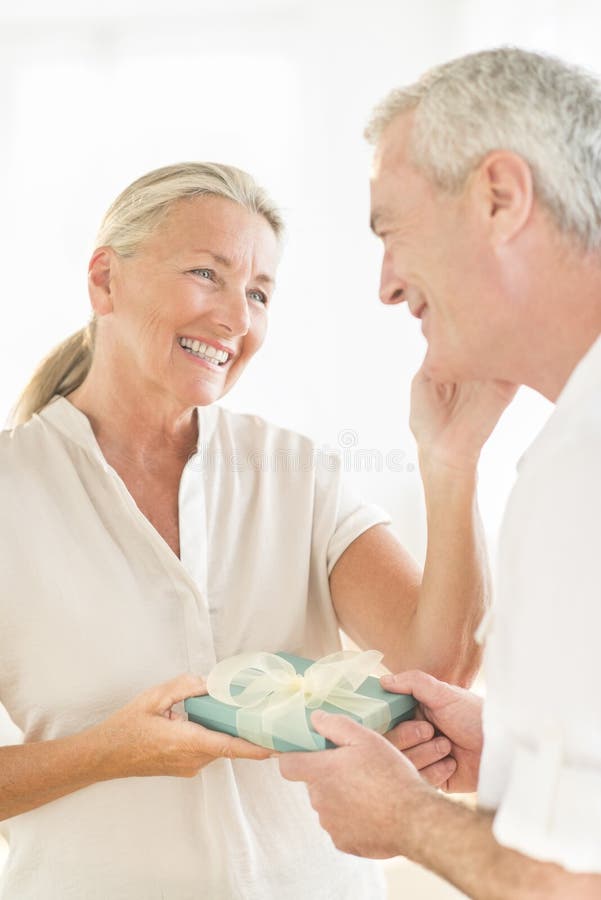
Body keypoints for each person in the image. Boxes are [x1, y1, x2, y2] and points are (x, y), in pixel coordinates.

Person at [0, 161, 509, 900]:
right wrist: (107, 753)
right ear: (105, 280)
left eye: (259, 293)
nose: (236, 320)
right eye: (207, 273)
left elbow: (435, 666)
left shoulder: (295, 472)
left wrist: (451, 458)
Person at [279, 47, 601, 898]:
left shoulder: (579, 470)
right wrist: (514, 758)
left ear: (499, 197)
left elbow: (566, 887)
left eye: (390, 229)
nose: (386, 286)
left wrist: (403, 819)